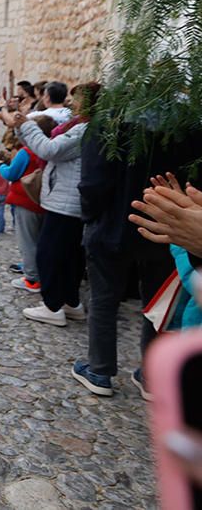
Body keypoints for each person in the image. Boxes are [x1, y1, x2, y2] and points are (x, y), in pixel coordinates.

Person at [74, 115, 201, 397]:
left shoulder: (108, 122)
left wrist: (91, 218)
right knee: (155, 305)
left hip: (112, 226)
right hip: (161, 228)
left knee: (104, 300)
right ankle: (151, 376)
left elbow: (92, 183)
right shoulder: (186, 125)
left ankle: (100, 369)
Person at [3, 84, 97, 327]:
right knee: (69, 256)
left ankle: (53, 306)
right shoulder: (85, 127)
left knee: (50, 254)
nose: (71, 103)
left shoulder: (83, 130)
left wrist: (25, 124)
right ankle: (70, 302)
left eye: (76, 99)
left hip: (66, 201)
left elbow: (48, 149)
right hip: (69, 200)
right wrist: (24, 128)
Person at [0, 115, 55, 294]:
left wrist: (1, 167)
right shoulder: (52, 149)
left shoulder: (27, 151)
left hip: (25, 200)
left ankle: (32, 279)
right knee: (40, 241)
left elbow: (12, 174)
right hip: (44, 202)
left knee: (27, 241)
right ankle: (41, 274)